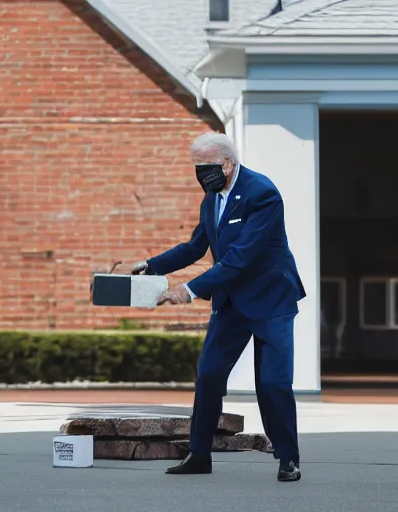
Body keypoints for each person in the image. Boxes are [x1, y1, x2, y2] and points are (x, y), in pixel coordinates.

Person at [131, 132, 306, 482]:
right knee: (209, 375)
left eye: (205, 167)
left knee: (273, 383)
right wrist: (152, 266)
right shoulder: (211, 198)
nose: (200, 174)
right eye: (196, 167)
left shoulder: (262, 193)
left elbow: (240, 258)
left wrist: (189, 290)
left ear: (227, 163)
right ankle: (199, 455)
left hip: (271, 299)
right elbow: (197, 246)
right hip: (232, 302)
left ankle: (288, 458)